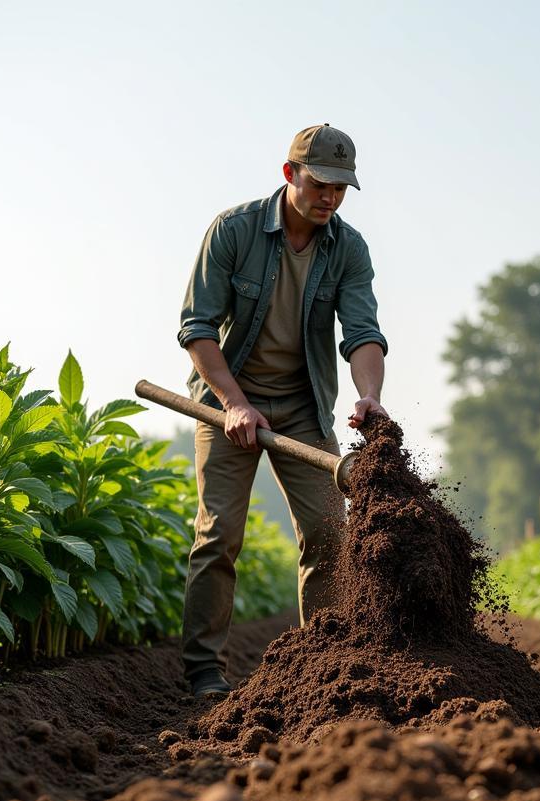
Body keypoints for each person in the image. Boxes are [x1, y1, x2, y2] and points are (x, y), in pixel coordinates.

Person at [177, 124, 388, 699]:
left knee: (328, 532)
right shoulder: (234, 231)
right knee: (219, 534)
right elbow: (196, 329)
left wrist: (369, 397)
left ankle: (322, 667)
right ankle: (204, 671)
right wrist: (235, 404)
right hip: (228, 400)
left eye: (342, 188)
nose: (330, 198)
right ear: (290, 174)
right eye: (321, 184)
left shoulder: (348, 247)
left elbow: (363, 332)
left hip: (303, 407)